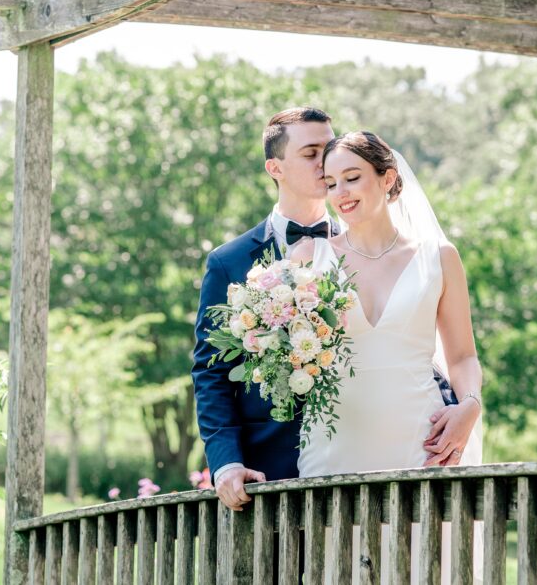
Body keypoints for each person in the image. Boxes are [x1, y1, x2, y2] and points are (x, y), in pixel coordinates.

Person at [192, 110, 461, 514]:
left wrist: (452, 406)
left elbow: (404, 342)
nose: (326, 162)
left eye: (330, 147)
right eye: (312, 152)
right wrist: (227, 462)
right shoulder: (229, 262)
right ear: (275, 167)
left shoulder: (366, 242)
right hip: (270, 471)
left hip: (388, 445)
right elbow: (211, 373)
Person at [291, 131, 483, 583]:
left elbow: (462, 356)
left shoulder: (439, 258)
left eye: (352, 178)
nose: (340, 193)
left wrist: (470, 405)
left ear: (387, 178)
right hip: (333, 445)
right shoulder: (307, 257)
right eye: (331, 182)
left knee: (421, 567)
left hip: (419, 442)